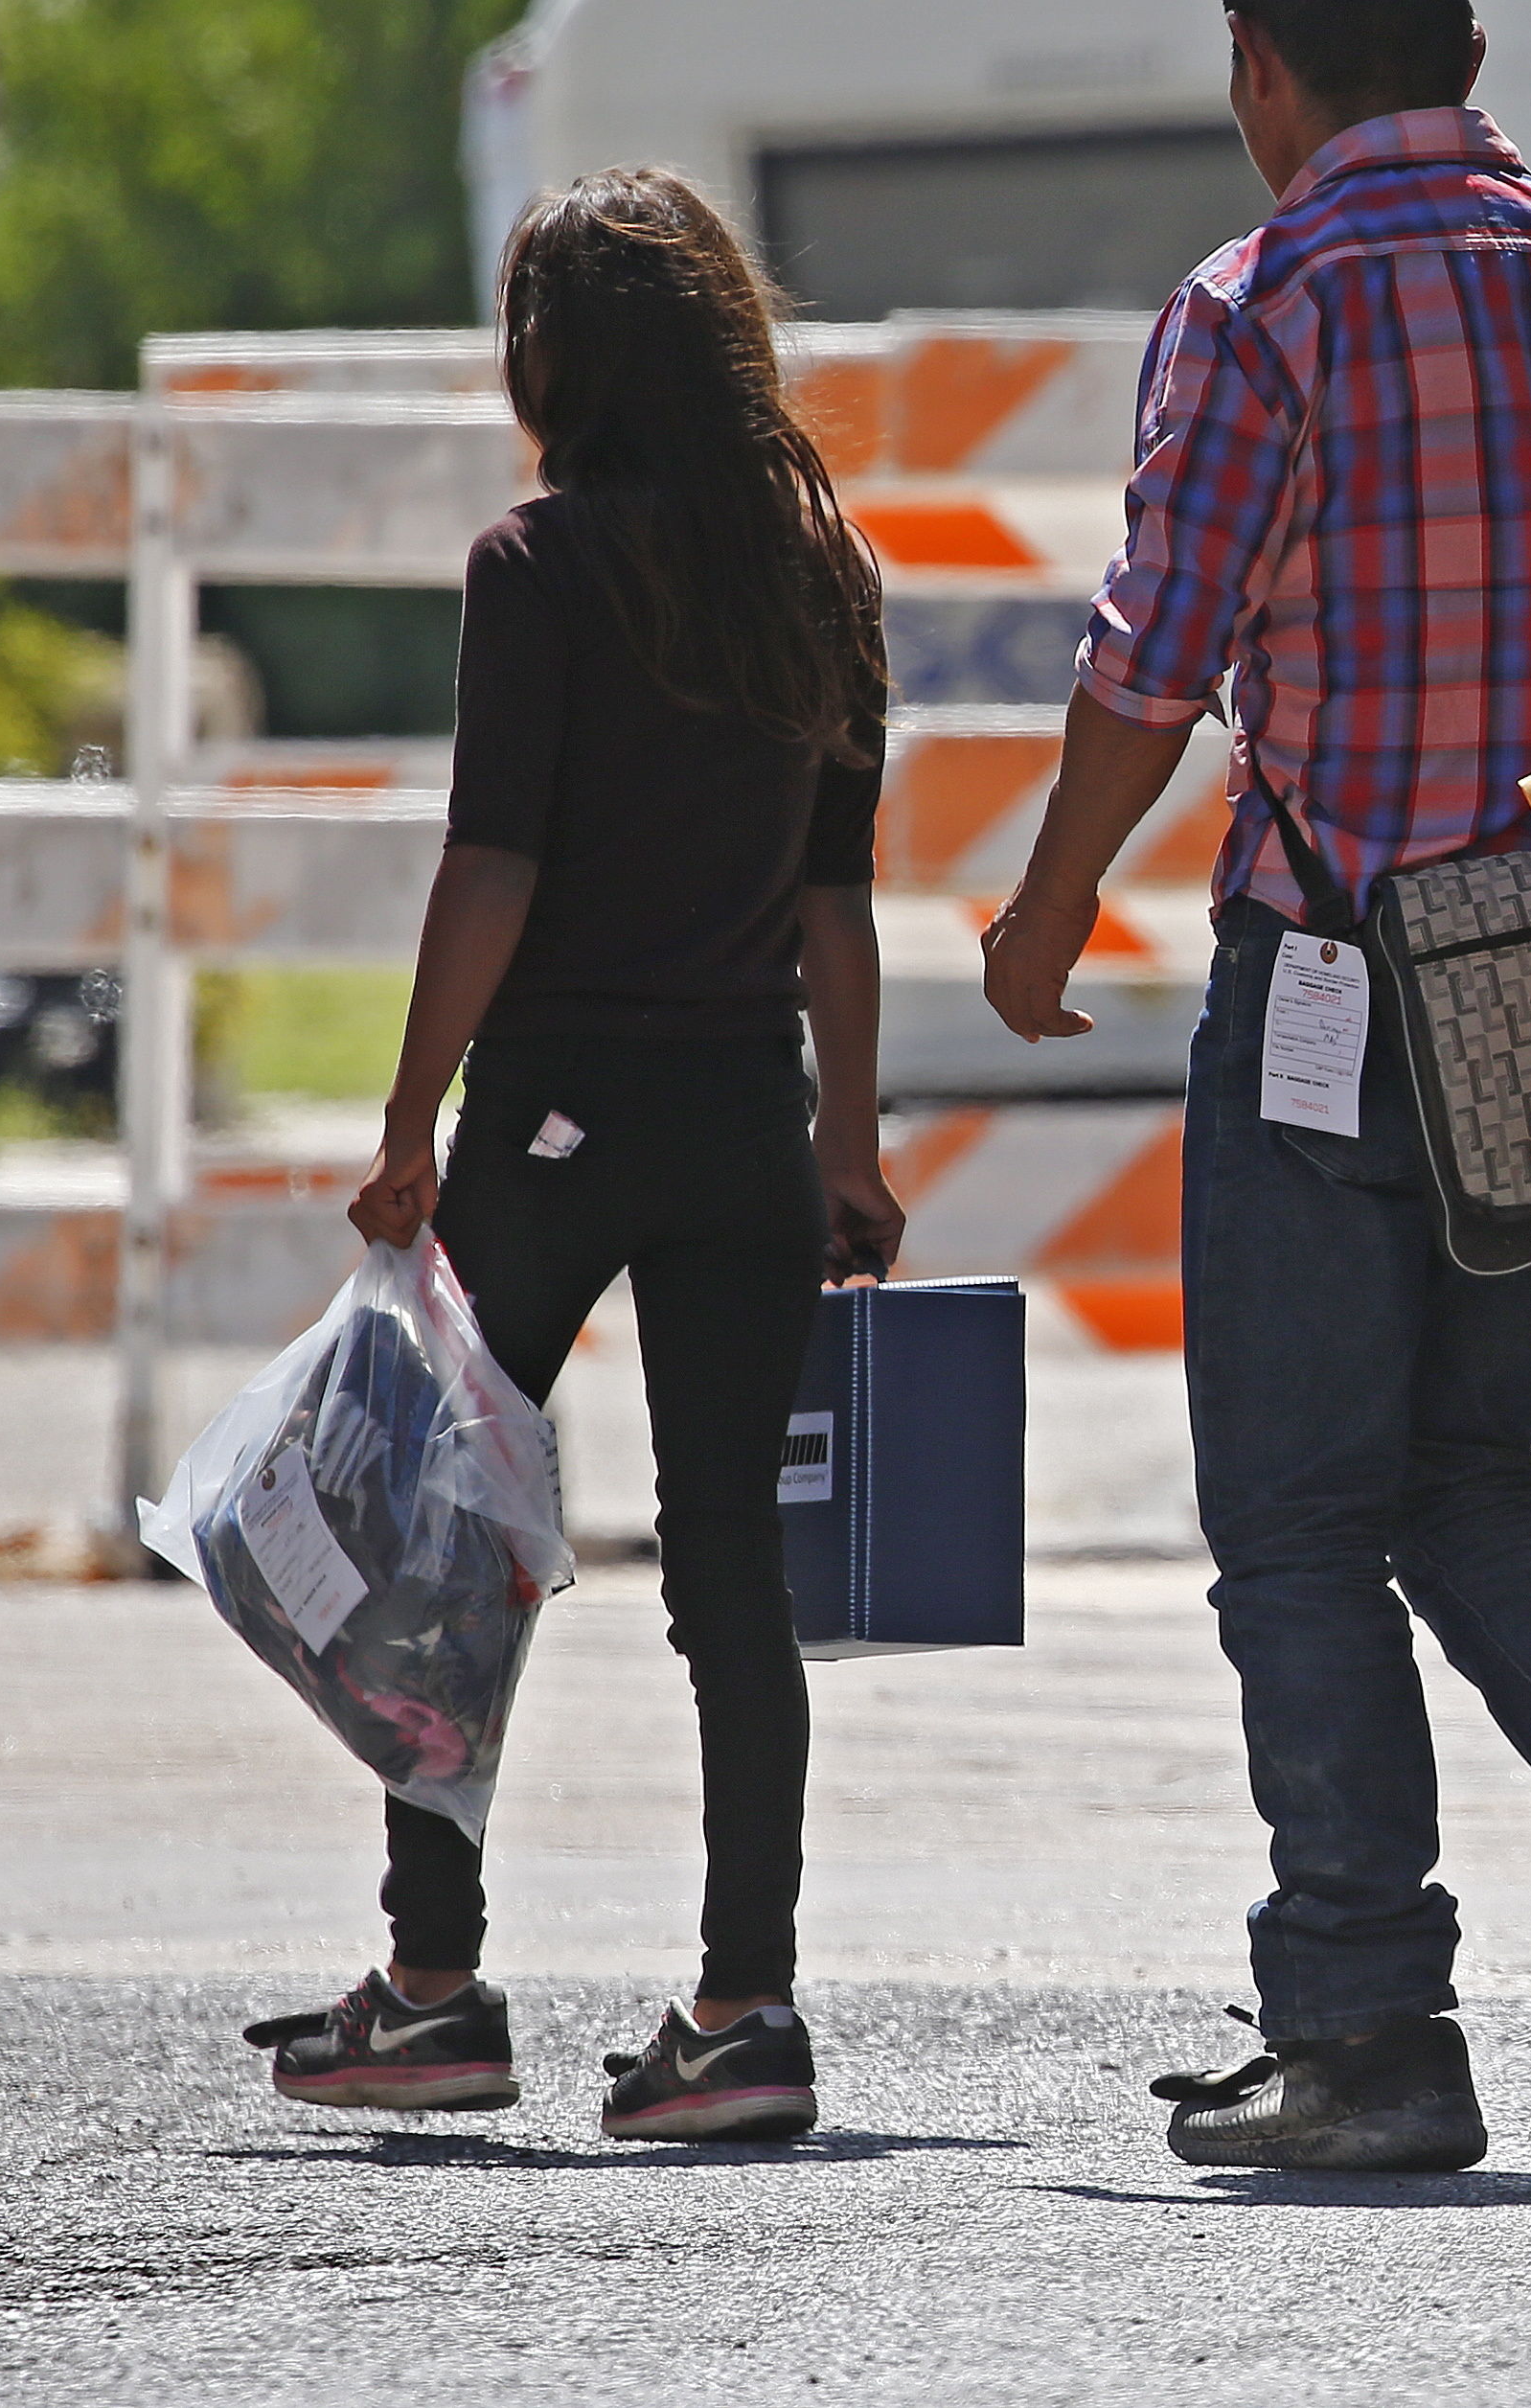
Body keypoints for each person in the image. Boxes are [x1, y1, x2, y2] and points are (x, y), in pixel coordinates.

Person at [977, 0, 1531, 2174]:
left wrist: (1045, 913)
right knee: (1465, 1456)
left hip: (1340, 981)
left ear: (1259, 64)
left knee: (1302, 1519)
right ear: (1469, 51)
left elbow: (1154, 660)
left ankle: (1363, 2023)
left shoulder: (1261, 305)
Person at [253, 167, 903, 2143]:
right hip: (741, 1125)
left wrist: (404, 1119)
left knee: (445, 1530)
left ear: (564, 358)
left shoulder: (535, 568)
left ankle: (434, 1990)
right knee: (733, 1577)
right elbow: (835, 909)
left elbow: (494, 867)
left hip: (547, 1117)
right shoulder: (821, 571)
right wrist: (850, 1149)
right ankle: (746, 2009)